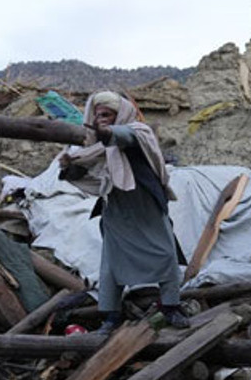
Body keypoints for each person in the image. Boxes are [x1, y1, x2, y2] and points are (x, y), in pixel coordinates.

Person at [58, 91, 188, 333]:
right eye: (98, 115)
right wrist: (69, 165)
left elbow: (123, 137)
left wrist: (105, 132)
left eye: (107, 114)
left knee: (165, 255)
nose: (102, 119)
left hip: (146, 206)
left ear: (120, 114)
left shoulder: (140, 131)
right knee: (111, 265)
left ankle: (171, 307)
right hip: (117, 210)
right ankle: (110, 316)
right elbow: (83, 172)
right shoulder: (94, 148)